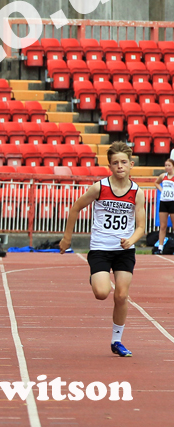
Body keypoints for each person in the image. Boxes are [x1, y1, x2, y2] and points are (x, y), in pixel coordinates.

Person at [60, 142, 146, 357]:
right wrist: (67, 238)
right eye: (115, 163)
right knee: (101, 293)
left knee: (121, 295)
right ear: (110, 166)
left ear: (131, 164)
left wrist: (131, 239)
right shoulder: (100, 187)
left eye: (123, 162)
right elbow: (76, 207)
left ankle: (117, 341)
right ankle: (96, 277)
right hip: (100, 248)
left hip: (124, 251)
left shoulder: (137, 193)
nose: (120, 166)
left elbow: (142, 226)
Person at [154, 158, 174, 250]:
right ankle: (160, 247)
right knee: (163, 226)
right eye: (165, 165)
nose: (167, 167)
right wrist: (162, 190)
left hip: (172, 202)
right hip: (164, 202)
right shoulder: (163, 176)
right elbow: (156, 183)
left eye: (169, 165)